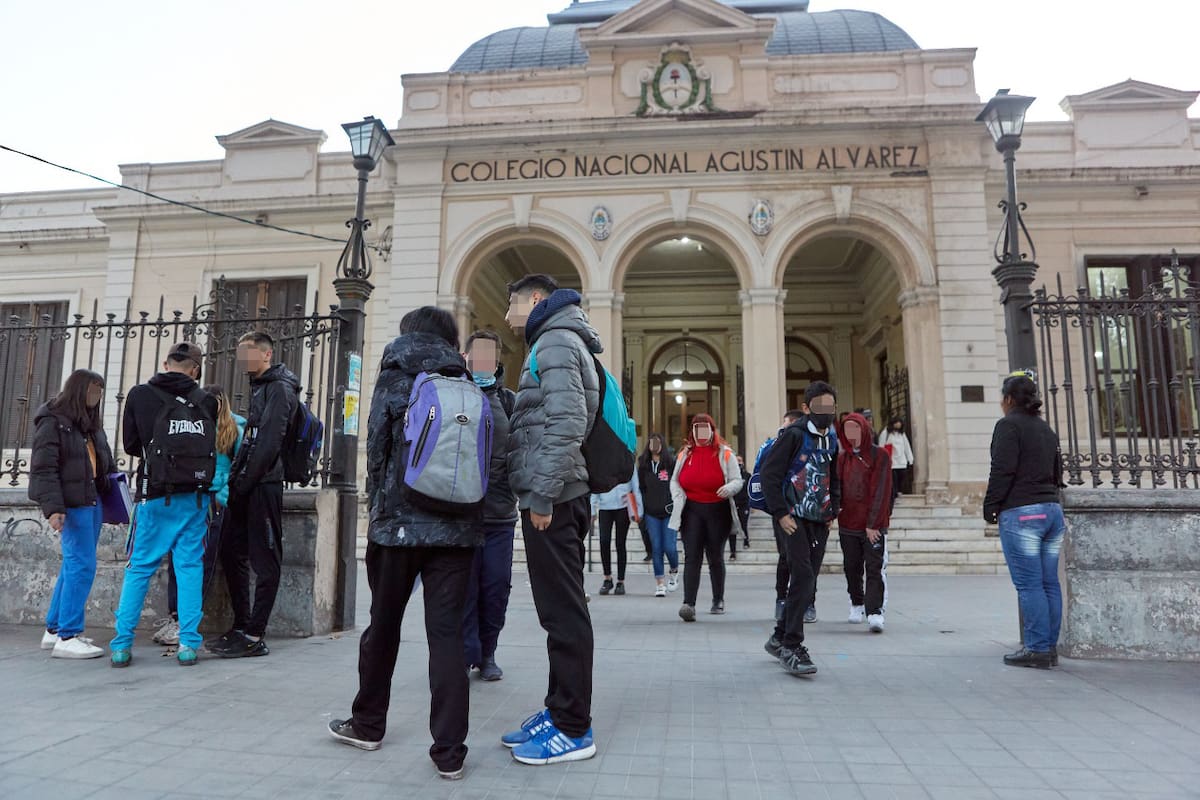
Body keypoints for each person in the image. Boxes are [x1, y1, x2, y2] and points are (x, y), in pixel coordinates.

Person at [327, 306, 483, 780]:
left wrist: (380, 503)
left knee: (384, 626)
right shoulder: (466, 380)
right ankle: (450, 753)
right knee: (447, 636)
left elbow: (375, 449)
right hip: (457, 528)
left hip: (397, 528)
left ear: (408, 334)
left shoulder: (395, 376)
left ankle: (369, 724)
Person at [501, 273, 601, 765]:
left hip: (556, 497)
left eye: (512, 304)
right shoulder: (553, 340)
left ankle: (574, 727)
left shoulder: (556, 341)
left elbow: (566, 422)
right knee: (555, 612)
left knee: (564, 613)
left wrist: (542, 495)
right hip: (555, 494)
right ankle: (558, 706)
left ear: (535, 299)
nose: (507, 316)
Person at [111, 342, 218, 668]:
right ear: (196, 369)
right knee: (189, 568)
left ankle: (121, 646)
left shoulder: (140, 394)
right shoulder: (207, 401)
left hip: (154, 495)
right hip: (195, 498)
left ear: (165, 363)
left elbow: (131, 445)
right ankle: (188, 644)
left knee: (140, 567)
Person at [207, 331, 299, 658]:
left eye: (247, 353)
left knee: (266, 560)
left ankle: (255, 634)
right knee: (233, 553)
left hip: (264, 486)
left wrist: (243, 484)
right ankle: (242, 625)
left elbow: (269, 443)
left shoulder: (279, 388)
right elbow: (250, 440)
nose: (242, 360)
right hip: (245, 486)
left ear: (266, 355)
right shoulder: (260, 386)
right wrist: (236, 482)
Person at [29, 369, 116, 659]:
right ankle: (68, 635)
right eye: (93, 390)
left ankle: (54, 630)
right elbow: (44, 468)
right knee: (82, 567)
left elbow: (103, 461)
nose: (97, 396)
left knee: (73, 567)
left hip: (92, 501)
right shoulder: (54, 421)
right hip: (72, 505)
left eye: (101, 391)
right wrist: (53, 508)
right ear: (78, 390)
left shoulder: (89, 425)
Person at [984, 372, 1066, 669]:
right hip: (1052, 512)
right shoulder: (1046, 429)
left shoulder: (1008, 426)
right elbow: (1057, 471)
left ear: (1008, 399)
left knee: (1029, 585)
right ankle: (1049, 647)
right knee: (1049, 584)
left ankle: (1036, 649)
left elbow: (1002, 469)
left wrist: (991, 505)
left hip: (1023, 513)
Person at [153, 385, 245, 646]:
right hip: (191, 498)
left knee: (201, 563)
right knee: (178, 560)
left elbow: (241, 468)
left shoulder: (236, 426)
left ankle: (185, 622)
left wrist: (222, 493)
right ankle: (176, 617)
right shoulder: (192, 424)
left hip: (215, 502)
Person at [761, 382, 841, 677]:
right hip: (792, 520)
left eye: (830, 406)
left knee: (807, 582)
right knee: (804, 577)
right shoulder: (794, 436)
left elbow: (835, 476)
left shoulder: (831, 439)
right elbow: (770, 475)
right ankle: (792, 646)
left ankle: (779, 637)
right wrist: (780, 514)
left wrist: (834, 509)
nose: (826, 412)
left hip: (820, 519)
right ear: (807, 408)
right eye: (820, 406)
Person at [461, 330, 518, 682]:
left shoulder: (509, 401)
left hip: (500, 514)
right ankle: (467, 652)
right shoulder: (454, 394)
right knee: (464, 588)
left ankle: (489, 650)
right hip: (462, 513)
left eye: (491, 354)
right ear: (465, 357)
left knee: (496, 586)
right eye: (478, 353)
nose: (484, 360)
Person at [669, 413, 744, 621]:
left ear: (712, 430)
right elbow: (674, 480)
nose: (701, 432)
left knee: (715, 556)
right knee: (692, 556)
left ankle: (718, 599)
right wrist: (677, 495)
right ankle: (688, 603)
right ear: (692, 431)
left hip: (717, 510)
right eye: (696, 428)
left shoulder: (725, 453)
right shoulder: (685, 453)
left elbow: (738, 480)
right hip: (692, 510)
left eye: (705, 428)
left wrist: (728, 488)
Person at [835, 412, 892, 633]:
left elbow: (881, 491)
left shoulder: (880, 456)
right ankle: (856, 602)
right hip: (848, 522)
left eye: (855, 428)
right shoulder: (842, 458)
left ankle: (875, 611)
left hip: (873, 525)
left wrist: (873, 523)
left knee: (875, 567)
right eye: (847, 429)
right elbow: (837, 488)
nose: (851, 434)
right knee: (852, 566)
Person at [771, 409, 806, 623]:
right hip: (784, 510)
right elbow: (766, 475)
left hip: (808, 511)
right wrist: (778, 511)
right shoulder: (774, 445)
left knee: (805, 562)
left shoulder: (812, 445)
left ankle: (807, 602)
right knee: (785, 556)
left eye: (787, 424)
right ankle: (782, 598)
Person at [637, 433, 678, 597]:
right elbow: (640, 488)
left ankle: (674, 570)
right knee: (656, 547)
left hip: (668, 512)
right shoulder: (644, 465)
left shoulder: (670, 464)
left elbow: (678, 485)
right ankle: (660, 583)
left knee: (669, 546)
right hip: (651, 513)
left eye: (658, 442)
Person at [591, 475, 641, 596]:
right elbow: (595, 483)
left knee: (620, 543)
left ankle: (620, 581)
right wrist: (592, 508)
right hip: (604, 506)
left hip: (623, 505)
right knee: (604, 541)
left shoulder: (627, 458)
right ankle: (607, 578)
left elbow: (635, 485)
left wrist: (639, 510)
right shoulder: (602, 460)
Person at [731, 454, 751, 555]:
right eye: (737, 461)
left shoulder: (747, 476)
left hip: (744, 504)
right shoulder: (731, 476)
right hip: (733, 505)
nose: (739, 463)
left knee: (744, 524)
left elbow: (750, 490)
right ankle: (732, 552)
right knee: (733, 528)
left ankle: (746, 541)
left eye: (740, 461)